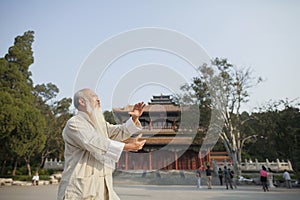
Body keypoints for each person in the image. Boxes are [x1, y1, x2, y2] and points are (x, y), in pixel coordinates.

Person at [57, 88, 146, 200]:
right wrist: (127, 147)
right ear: (82, 101)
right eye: (93, 96)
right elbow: (94, 142)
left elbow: (119, 132)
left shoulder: (100, 124)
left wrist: (134, 118)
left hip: (102, 187)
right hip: (80, 189)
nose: (98, 99)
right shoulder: (74, 123)